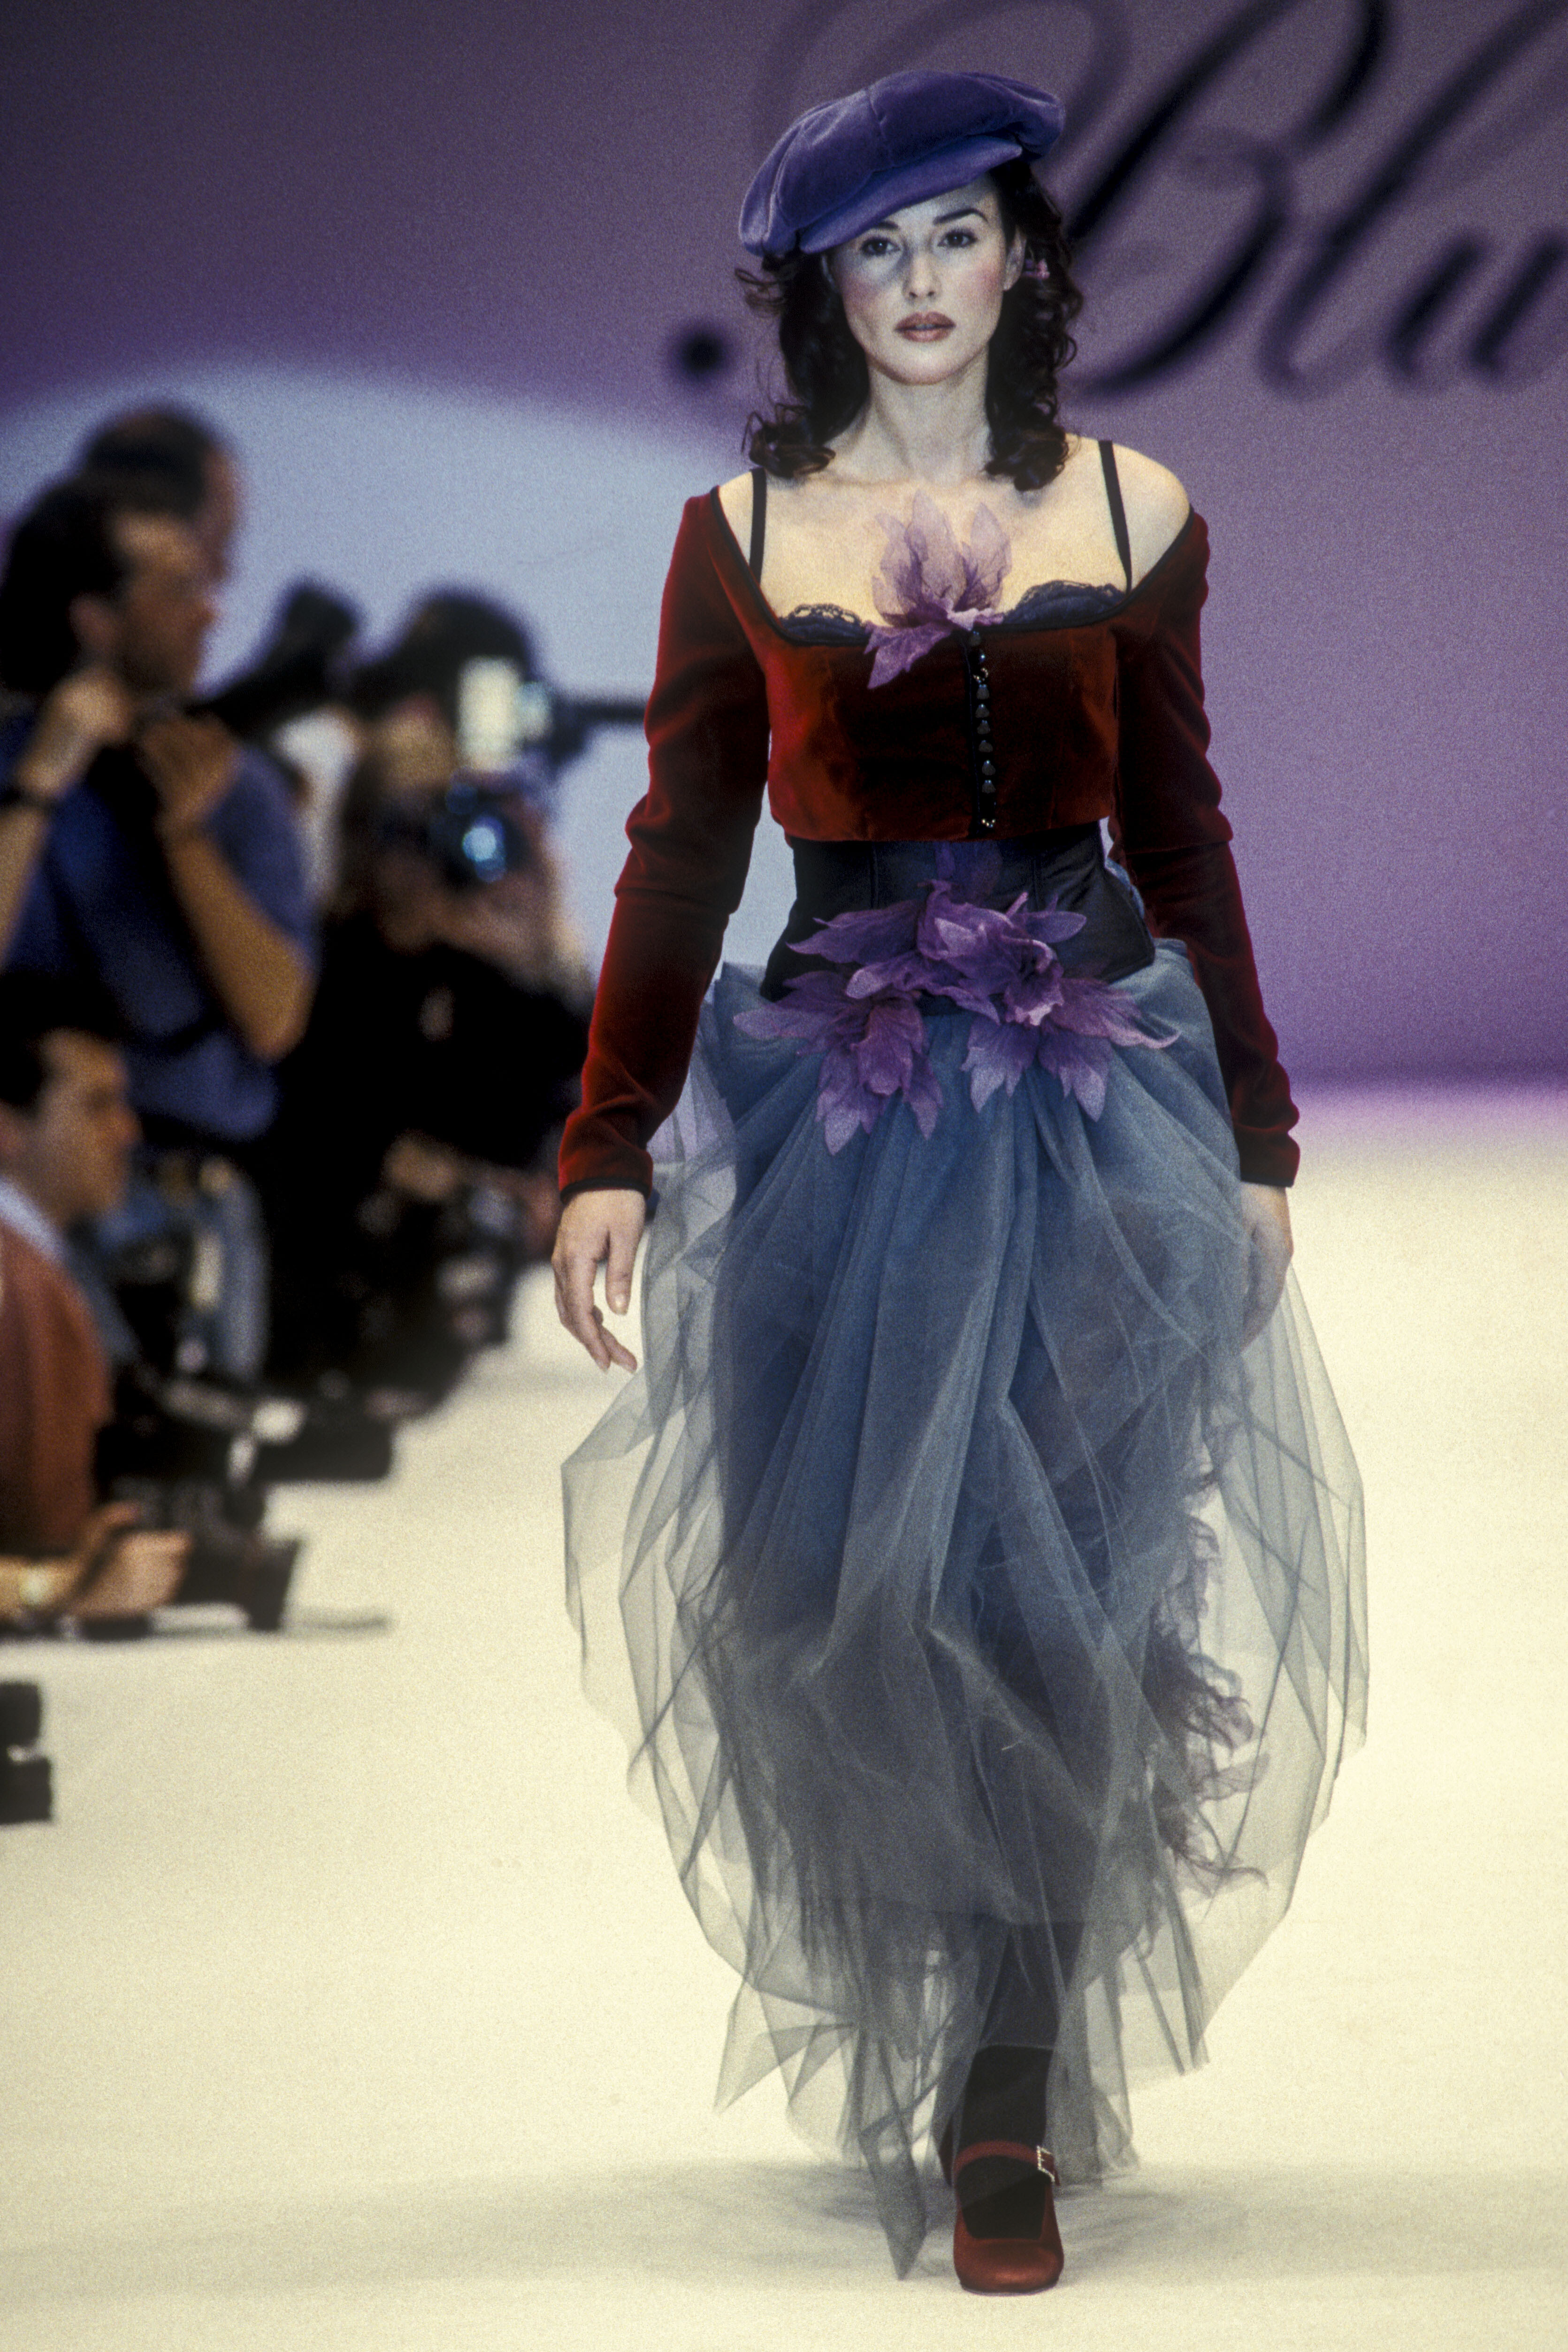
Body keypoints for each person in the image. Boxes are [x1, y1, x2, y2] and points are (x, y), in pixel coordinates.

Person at [551, 71, 1367, 2294]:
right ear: (822, 288)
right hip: (844, 1107)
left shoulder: (1131, 508)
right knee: (844, 1592)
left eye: (954, 234)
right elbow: (680, 850)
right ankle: (952, 1998)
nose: (919, 283)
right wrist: (607, 1139)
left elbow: (1180, 834)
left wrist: (1256, 1132)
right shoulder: (741, 534)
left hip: (1094, 1106)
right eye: (873, 248)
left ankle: (1000, 2085)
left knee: (1059, 1591)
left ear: (1021, 256)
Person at [0, 475, 316, 1374]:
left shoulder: (238, 788)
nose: (209, 613)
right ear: (96, 619)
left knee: (200, 1451)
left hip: (198, 1196)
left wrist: (185, 835)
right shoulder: (13, 768)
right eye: (179, 590)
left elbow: (274, 1019)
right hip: (33, 1206)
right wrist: (36, 791)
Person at [0, 973, 189, 1625]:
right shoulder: (12, 1280)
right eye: (96, 1106)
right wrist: (50, 1589)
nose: (127, 1131)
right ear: (7, 1129)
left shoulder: (38, 1266)